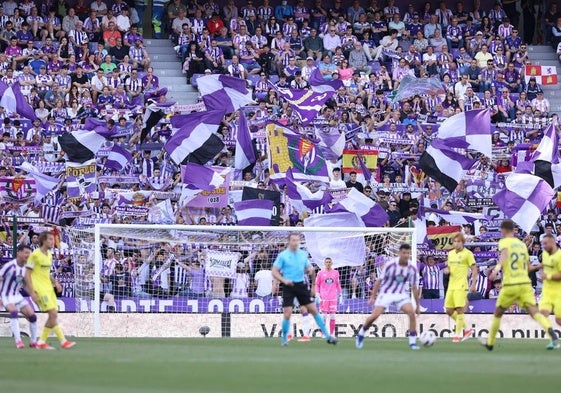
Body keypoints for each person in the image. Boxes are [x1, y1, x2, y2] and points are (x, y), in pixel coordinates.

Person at [481, 220, 560, 351]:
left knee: (498, 313)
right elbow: (529, 267)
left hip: (511, 284)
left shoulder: (504, 242)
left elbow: (504, 255)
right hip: (525, 284)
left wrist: (496, 269)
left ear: (504, 230)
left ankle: (490, 342)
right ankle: (553, 336)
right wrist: (541, 265)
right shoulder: (522, 246)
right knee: (535, 312)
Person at [271, 233, 338, 346]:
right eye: (293, 240)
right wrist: (283, 280)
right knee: (287, 314)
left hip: (301, 285)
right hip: (288, 286)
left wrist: (312, 286)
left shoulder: (303, 254)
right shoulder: (283, 255)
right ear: (289, 242)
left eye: (297, 240)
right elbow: (274, 271)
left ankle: (328, 336)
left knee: (313, 310)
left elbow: (311, 270)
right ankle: (284, 340)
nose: (296, 242)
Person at [355, 243, 420, 350]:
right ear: (399, 253)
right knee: (374, 316)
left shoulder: (412, 268)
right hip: (386, 293)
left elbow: (414, 287)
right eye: (404, 253)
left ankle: (412, 342)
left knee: (411, 313)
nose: (406, 255)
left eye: (408, 253)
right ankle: (361, 333)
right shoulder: (390, 265)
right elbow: (378, 281)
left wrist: (417, 305)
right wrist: (372, 296)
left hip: (401, 295)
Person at [24, 231, 76, 350]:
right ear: (44, 241)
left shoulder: (49, 255)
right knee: (52, 313)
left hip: (48, 288)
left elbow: (46, 273)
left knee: (53, 315)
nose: (53, 242)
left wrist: (55, 282)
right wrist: (32, 293)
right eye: (51, 239)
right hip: (39, 289)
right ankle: (62, 341)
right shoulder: (35, 255)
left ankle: (43, 342)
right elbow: (27, 274)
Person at [0, 244, 38, 348]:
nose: (27, 255)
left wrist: (32, 294)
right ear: (19, 253)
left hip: (17, 296)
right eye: (26, 252)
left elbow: (24, 284)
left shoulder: (26, 268)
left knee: (33, 316)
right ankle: (18, 341)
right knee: (14, 312)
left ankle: (33, 341)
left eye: (29, 253)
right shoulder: (9, 266)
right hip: (6, 295)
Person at [444, 232, 476, 342]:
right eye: (455, 241)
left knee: (459, 310)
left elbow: (475, 269)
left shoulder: (468, 254)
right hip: (451, 285)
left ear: (463, 242)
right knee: (448, 310)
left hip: (461, 285)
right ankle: (467, 329)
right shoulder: (450, 254)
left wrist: (473, 284)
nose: (456, 244)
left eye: (459, 241)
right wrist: (447, 270)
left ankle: (457, 335)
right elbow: (449, 267)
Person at [537, 234, 561, 346]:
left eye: (545, 243)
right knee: (542, 314)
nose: (543, 245)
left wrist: (548, 277)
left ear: (553, 242)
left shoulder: (560, 255)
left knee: (559, 320)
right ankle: (554, 338)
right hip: (547, 291)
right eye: (543, 243)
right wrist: (537, 268)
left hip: (558, 291)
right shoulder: (545, 254)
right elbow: (545, 265)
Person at [315, 257, 342, 337]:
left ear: (331, 263)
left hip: (333, 297)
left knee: (333, 315)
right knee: (324, 316)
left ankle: (331, 334)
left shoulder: (336, 273)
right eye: (326, 262)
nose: (328, 263)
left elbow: (338, 284)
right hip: (324, 297)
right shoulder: (320, 273)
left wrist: (340, 294)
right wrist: (317, 294)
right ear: (324, 263)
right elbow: (317, 284)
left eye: (329, 262)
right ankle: (323, 334)